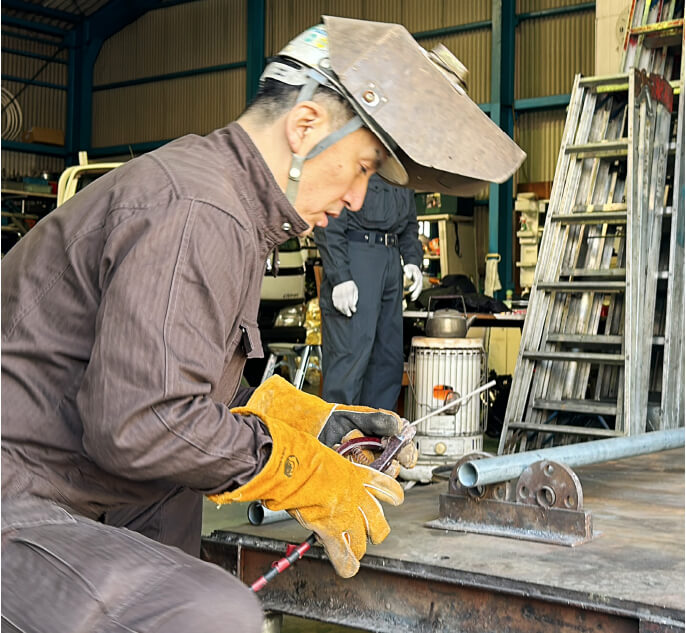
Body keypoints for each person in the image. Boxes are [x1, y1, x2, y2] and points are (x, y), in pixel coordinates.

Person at [1, 16, 525, 633]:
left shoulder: (229, 204)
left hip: (69, 477)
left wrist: (316, 423)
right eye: (361, 166)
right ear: (305, 128)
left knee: (177, 505)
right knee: (211, 612)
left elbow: (190, 382)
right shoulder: (202, 210)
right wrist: (298, 471)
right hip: (20, 493)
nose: (358, 198)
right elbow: (144, 422)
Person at [315, 174, 423, 410]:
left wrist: (413, 259)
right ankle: (339, 442)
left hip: (391, 262)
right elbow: (328, 219)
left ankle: (376, 442)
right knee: (349, 357)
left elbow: (410, 223)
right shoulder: (352, 156)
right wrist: (340, 276)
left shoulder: (400, 169)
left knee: (388, 359)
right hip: (357, 257)